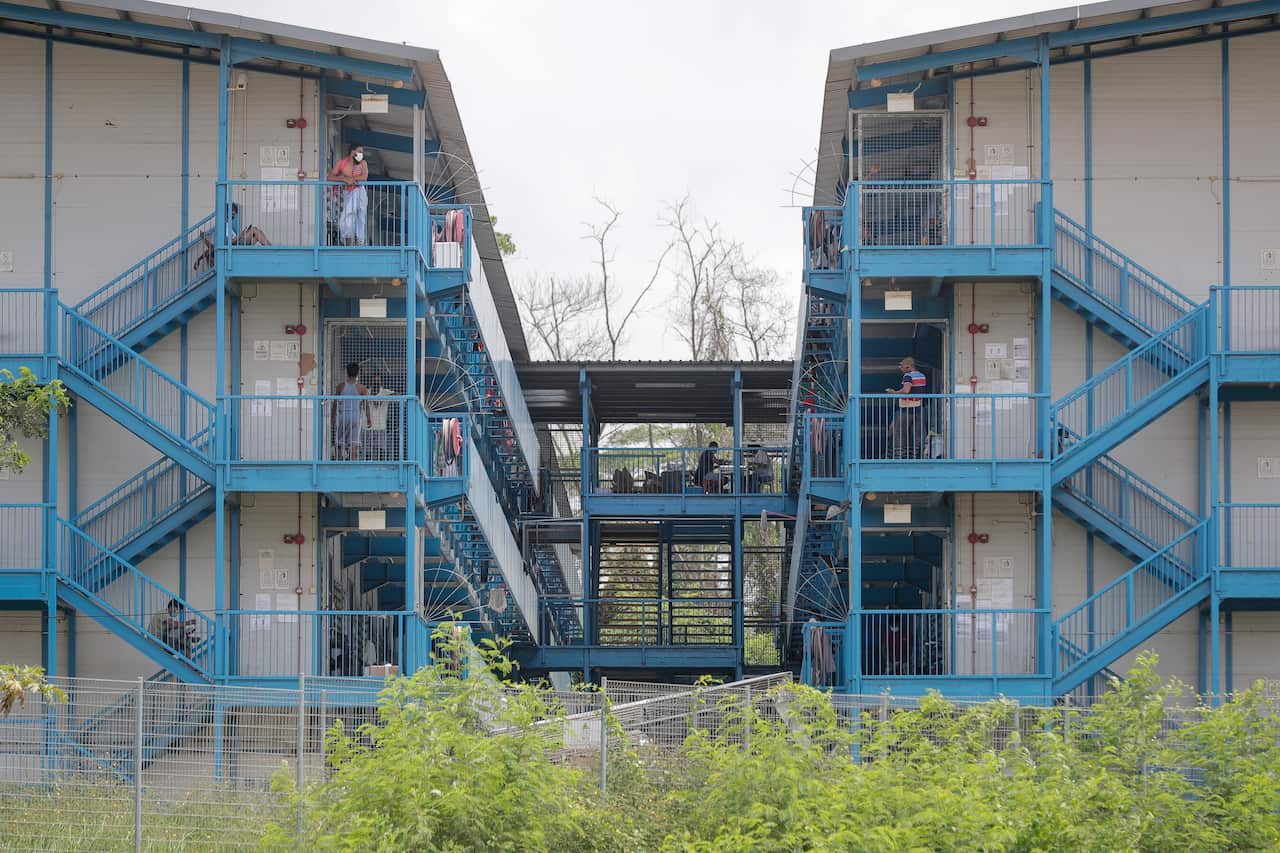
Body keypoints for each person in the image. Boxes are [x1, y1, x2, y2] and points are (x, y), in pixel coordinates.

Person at [327, 144, 369, 246]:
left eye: (362, 152)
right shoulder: (342, 163)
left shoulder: (363, 163)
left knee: (360, 218)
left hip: (360, 192)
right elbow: (330, 177)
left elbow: (364, 177)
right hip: (348, 193)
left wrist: (352, 179)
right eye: (359, 152)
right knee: (346, 218)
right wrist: (344, 178)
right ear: (352, 152)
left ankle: (360, 243)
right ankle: (349, 243)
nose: (361, 154)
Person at [886, 356, 926, 459]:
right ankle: (915, 457)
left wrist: (893, 392)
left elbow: (906, 390)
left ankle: (899, 457)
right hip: (918, 409)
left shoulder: (908, 376)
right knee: (915, 435)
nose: (901, 368)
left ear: (908, 367)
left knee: (899, 434)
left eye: (902, 366)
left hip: (905, 409)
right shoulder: (922, 376)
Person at [331, 363, 371, 460]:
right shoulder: (361, 388)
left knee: (340, 441)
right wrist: (369, 418)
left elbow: (335, 403)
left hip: (343, 416)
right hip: (355, 416)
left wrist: (333, 416)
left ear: (347, 373)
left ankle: (339, 462)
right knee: (354, 442)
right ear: (358, 373)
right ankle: (352, 464)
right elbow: (366, 405)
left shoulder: (340, 386)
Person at [365, 376, 396, 460]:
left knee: (381, 450)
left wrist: (386, 397)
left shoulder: (385, 392)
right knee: (368, 452)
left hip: (381, 426)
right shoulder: (366, 392)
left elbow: (398, 394)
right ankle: (368, 468)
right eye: (374, 381)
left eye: (377, 381)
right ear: (370, 382)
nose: (376, 383)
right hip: (368, 426)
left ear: (381, 382)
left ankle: (381, 467)